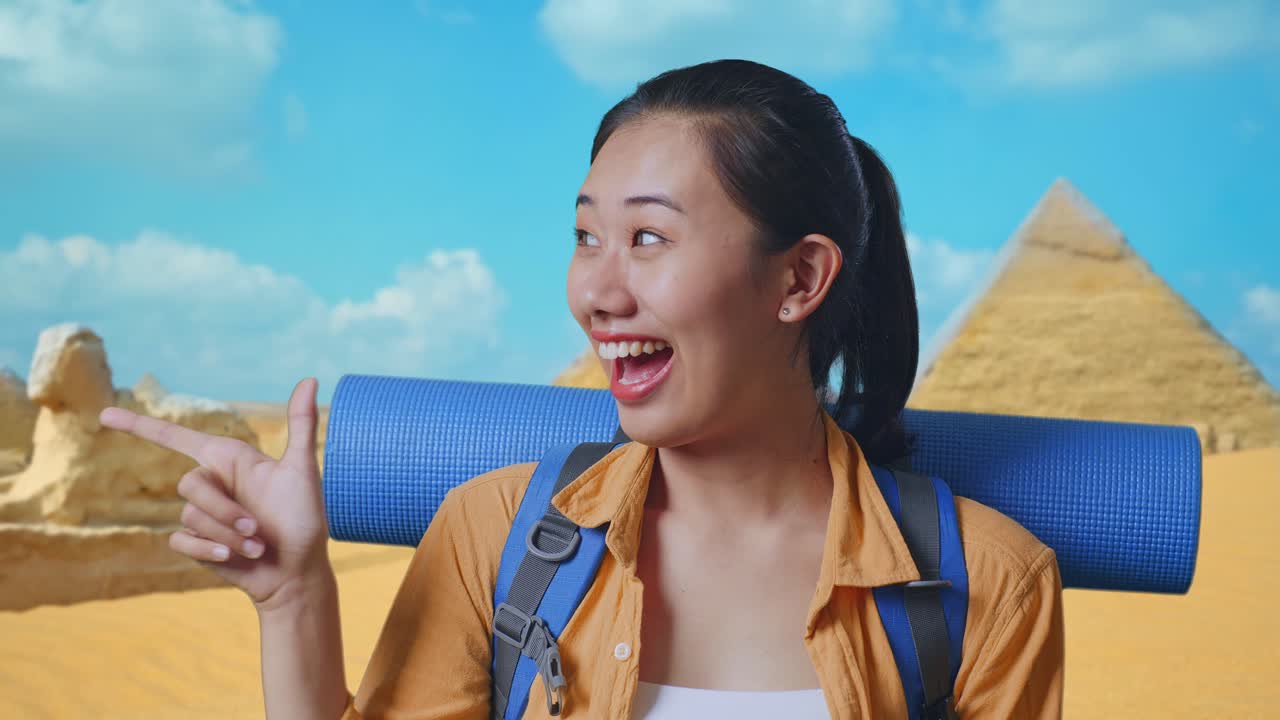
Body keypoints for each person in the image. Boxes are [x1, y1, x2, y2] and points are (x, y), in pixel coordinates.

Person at [99, 59, 1063, 719]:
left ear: (799, 280)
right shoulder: (494, 537)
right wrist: (291, 602)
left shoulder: (989, 588)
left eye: (647, 238)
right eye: (585, 236)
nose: (596, 293)